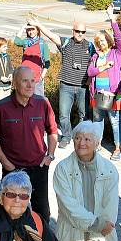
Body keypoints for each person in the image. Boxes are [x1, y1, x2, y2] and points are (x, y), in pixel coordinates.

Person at [0, 66, 59, 221]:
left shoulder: (43, 103)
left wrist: (50, 156)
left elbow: (53, 130)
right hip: (13, 170)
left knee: (42, 214)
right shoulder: (1, 108)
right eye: (25, 81)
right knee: (11, 213)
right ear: (14, 84)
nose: (30, 85)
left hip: (39, 168)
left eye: (32, 81)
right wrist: (7, 164)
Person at [31, 17, 91, 150]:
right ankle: (66, 136)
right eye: (77, 31)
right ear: (73, 31)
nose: (80, 34)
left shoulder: (90, 46)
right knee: (64, 114)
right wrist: (38, 25)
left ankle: (81, 138)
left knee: (83, 114)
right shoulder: (66, 43)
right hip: (66, 85)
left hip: (83, 87)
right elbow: (52, 36)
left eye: (83, 31)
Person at [86, 5, 121, 160]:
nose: (101, 43)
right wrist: (102, 66)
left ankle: (118, 148)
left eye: (103, 40)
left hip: (113, 94)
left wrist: (112, 19)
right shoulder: (95, 57)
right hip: (97, 94)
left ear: (108, 40)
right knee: (97, 121)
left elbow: (119, 38)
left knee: (115, 122)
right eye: (98, 41)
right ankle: (97, 144)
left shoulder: (117, 52)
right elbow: (90, 72)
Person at [13, 20, 50, 96]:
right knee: (24, 100)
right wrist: (23, 27)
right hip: (24, 77)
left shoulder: (42, 43)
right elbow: (16, 41)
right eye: (29, 30)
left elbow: (47, 62)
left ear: (37, 30)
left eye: (33, 29)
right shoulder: (25, 42)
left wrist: (42, 76)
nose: (31, 32)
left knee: (38, 101)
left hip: (36, 78)